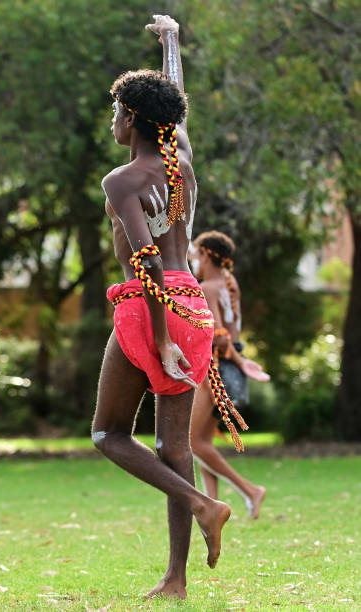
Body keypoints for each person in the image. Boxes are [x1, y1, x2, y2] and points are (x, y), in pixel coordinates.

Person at [91, 15, 235, 600]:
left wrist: (162, 338)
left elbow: (145, 258)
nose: (113, 119)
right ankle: (175, 580)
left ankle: (203, 502)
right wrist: (171, 43)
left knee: (106, 434)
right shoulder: (183, 168)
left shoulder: (121, 180)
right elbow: (179, 111)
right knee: (172, 449)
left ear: (131, 120)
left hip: (150, 308)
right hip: (193, 307)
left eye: (117, 110)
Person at [189, 231, 269, 519]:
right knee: (204, 442)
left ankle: (250, 491)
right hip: (229, 365)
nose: (194, 260)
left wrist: (239, 360)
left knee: (192, 442)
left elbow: (220, 337)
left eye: (198, 254)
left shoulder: (207, 286)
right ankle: (212, 506)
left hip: (217, 365)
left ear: (207, 255)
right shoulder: (229, 283)